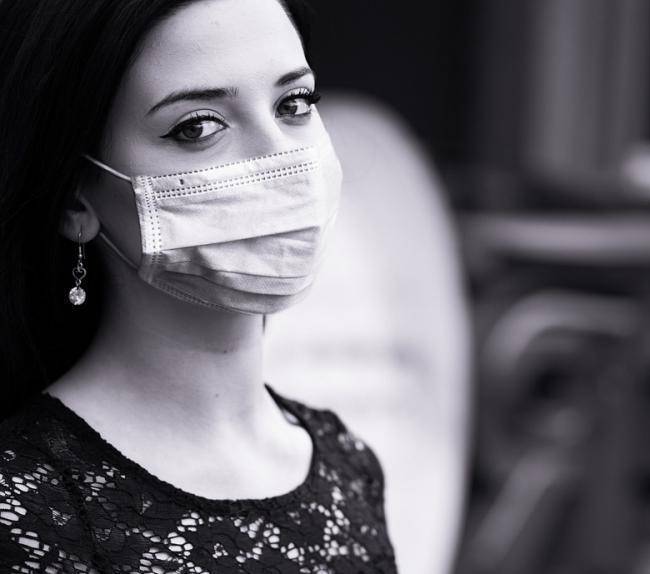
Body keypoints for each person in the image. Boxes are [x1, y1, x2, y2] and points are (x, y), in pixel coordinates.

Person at [0, 0, 397, 571]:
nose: (283, 155)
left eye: (294, 103)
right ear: (74, 200)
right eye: (197, 127)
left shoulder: (349, 467)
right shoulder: (28, 503)